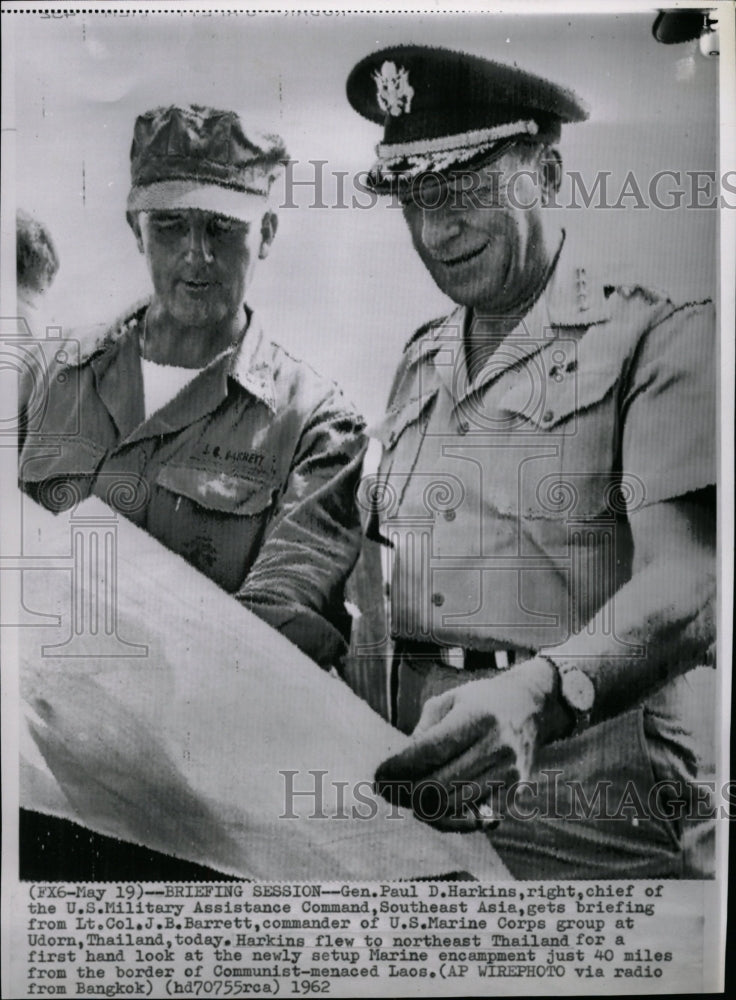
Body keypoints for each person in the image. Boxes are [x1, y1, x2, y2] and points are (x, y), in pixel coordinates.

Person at [346, 45, 716, 878]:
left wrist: (536, 698)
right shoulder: (420, 359)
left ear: (546, 173)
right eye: (415, 199)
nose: (438, 230)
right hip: (433, 830)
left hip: (605, 835)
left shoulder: (661, 333)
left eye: (468, 190)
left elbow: (694, 583)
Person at [19, 104, 367, 670]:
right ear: (136, 230)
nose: (196, 254)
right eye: (171, 226)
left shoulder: (316, 427)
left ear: (268, 233)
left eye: (223, 228)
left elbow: (279, 631)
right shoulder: (45, 378)